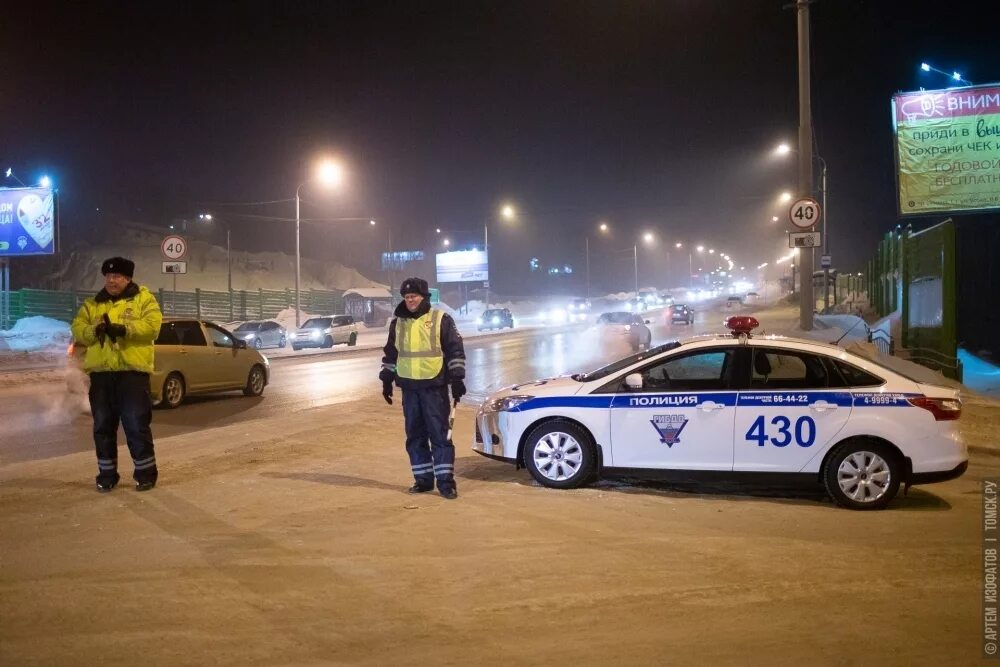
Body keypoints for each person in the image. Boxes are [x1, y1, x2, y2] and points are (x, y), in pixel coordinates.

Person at [70, 257, 163, 493]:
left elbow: (153, 327)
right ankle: (107, 475)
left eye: (117, 276)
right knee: (102, 427)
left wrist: (124, 329)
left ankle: (145, 475)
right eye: (109, 276)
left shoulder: (144, 299)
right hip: (101, 376)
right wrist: (94, 330)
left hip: (132, 374)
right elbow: (78, 329)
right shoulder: (93, 304)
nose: (112, 281)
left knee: (135, 425)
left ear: (128, 278)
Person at [380, 277, 466, 499]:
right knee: (415, 437)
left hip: (434, 387)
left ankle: (446, 483)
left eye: (414, 297)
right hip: (409, 388)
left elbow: (455, 351)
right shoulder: (397, 323)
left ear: (424, 297)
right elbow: (391, 353)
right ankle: (423, 480)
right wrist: (387, 378)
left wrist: (457, 378)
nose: (410, 300)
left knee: (440, 436)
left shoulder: (440, 319)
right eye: (407, 297)